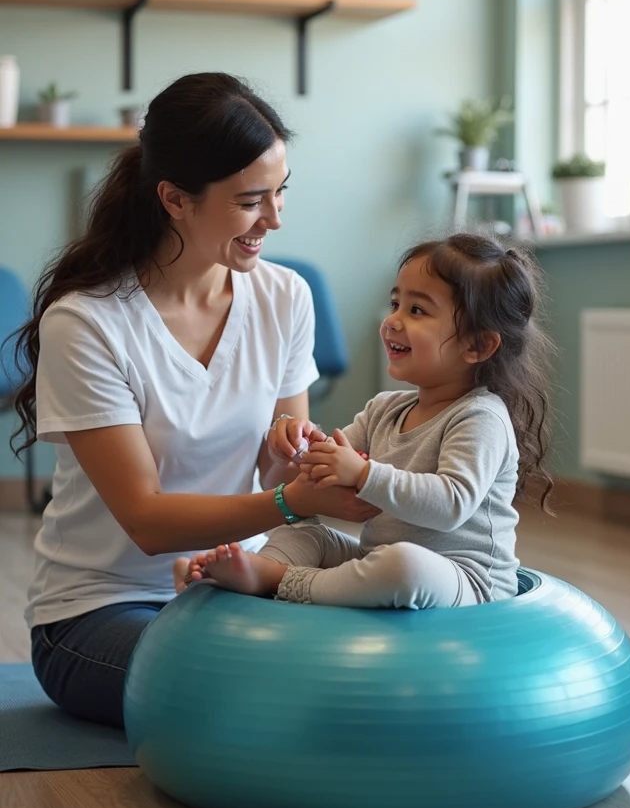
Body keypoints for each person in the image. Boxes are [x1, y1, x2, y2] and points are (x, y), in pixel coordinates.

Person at [12, 72, 377, 728]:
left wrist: (304, 459)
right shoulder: (88, 323)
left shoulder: (285, 297)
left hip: (236, 583)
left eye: (281, 193)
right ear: (175, 199)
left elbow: (282, 464)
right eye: (250, 201)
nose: (275, 218)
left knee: (371, 647)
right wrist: (291, 500)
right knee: (264, 682)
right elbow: (148, 522)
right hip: (102, 610)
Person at [175, 232, 554, 608]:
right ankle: (240, 578)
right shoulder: (384, 409)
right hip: (376, 559)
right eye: (395, 304)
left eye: (417, 310)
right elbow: (326, 467)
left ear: (477, 345)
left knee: (404, 566)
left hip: (464, 582)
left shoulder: (481, 417)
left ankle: (279, 581)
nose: (392, 321)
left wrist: (362, 475)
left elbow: (452, 503)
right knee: (305, 533)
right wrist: (296, 446)